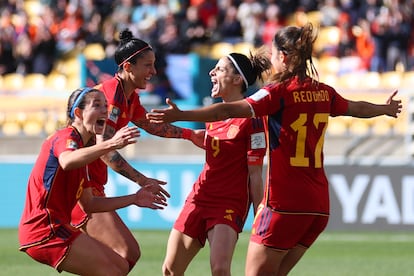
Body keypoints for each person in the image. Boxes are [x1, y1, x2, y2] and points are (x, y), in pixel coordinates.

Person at [147, 23, 403, 275]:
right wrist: (385, 109)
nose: (270, 60)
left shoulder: (277, 93)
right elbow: (355, 108)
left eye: (272, 55)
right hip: (318, 205)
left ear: (283, 56)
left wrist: (180, 114)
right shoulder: (323, 92)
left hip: (284, 203)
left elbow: (228, 111)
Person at [70, 28, 204, 272]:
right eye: (148, 65)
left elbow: (150, 124)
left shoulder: (128, 96)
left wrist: (190, 134)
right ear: (128, 67)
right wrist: (142, 180)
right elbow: (105, 150)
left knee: (122, 256)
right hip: (79, 188)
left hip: (90, 184)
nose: (153, 72)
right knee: (125, 253)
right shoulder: (110, 96)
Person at [18, 87, 167, 275]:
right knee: (113, 270)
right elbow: (67, 161)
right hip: (44, 229)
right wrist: (110, 144)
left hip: (56, 227)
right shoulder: (66, 137)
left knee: (120, 266)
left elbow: (89, 203)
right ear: (78, 113)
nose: (105, 110)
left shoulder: (83, 153)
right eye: (97, 105)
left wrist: (134, 199)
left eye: (106, 105)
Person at [162, 49, 271, 276]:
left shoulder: (253, 120)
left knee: (220, 270)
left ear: (237, 79)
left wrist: (259, 216)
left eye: (220, 69)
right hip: (199, 197)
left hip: (229, 203)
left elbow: (255, 174)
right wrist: (188, 135)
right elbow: (219, 145)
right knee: (170, 270)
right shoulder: (213, 116)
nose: (212, 72)